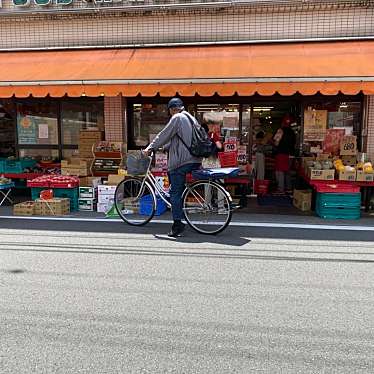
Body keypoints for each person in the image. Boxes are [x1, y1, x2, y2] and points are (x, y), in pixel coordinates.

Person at [144, 98, 202, 237]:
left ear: (171, 109)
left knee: (175, 193)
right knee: (178, 190)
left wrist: (150, 148)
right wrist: (164, 148)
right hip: (194, 159)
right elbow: (179, 139)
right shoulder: (190, 117)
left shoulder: (177, 118)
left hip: (181, 161)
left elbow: (164, 134)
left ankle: (177, 225)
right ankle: (179, 210)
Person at [273, 115, 296, 193]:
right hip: (291, 154)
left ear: (282, 123)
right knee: (288, 171)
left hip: (282, 153)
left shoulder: (280, 130)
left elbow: (276, 143)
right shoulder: (293, 132)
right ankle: (289, 188)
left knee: (280, 171)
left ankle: (280, 189)